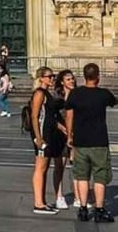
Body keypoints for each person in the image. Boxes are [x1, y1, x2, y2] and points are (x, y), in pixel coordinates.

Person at [65, 62, 118, 224]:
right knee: (100, 177)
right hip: (99, 141)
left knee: (82, 176)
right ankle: (100, 209)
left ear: (84, 76)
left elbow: (69, 116)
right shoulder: (103, 94)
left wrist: (69, 136)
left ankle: (83, 208)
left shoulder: (75, 93)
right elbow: (114, 101)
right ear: (97, 77)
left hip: (80, 141)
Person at [26, 66, 58, 214]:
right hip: (42, 136)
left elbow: (51, 116)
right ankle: (38, 203)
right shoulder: (39, 93)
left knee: (44, 168)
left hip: (48, 134)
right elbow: (34, 116)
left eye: (53, 76)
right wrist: (38, 138)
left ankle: (42, 201)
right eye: (49, 76)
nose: (52, 79)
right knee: (40, 168)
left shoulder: (47, 93)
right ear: (41, 78)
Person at [47, 70, 75, 210]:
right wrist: (63, 128)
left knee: (78, 166)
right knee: (60, 166)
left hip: (76, 134)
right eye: (68, 79)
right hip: (60, 135)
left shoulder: (78, 95)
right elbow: (50, 116)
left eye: (72, 79)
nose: (72, 81)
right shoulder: (56, 97)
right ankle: (59, 196)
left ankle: (78, 197)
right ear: (62, 82)